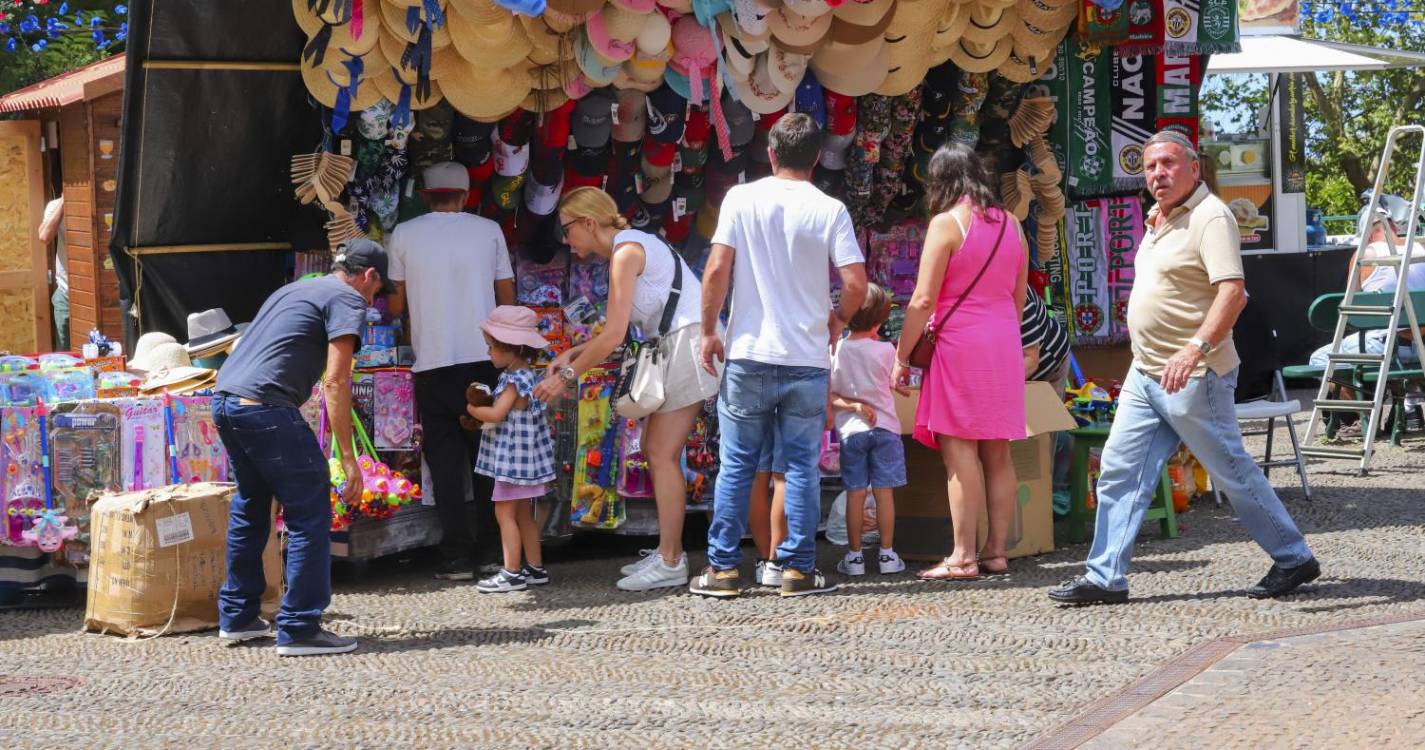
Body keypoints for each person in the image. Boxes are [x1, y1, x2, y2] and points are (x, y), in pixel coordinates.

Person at [1049, 131, 1319, 605]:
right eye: (1151, 167)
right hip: (1146, 372)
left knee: (1230, 469)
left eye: (1169, 164)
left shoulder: (1211, 217)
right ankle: (1105, 577)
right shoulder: (1161, 219)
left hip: (1195, 374)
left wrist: (1194, 349)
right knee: (1119, 468)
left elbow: (1233, 293)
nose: (1158, 174)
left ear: (1194, 168)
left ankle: (1294, 556)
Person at [694, 112, 868, 598]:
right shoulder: (829, 209)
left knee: (737, 465)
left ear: (770, 153)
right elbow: (855, 282)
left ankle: (723, 570)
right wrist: (837, 321)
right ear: (816, 158)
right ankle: (796, 569)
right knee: (799, 468)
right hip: (805, 359)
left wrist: (710, 331)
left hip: (749, 353)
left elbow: (716, 270)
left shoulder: (741, 199)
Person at [533, 186, 719, 592]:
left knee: (661, 453)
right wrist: (576, 353)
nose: (567, 241)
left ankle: (671, 560)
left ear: (588, 222)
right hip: (675, 347)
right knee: (658, 452)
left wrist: (567, 377)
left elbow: (615, 335)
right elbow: (614, 333)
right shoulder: (630, 248)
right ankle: (668, 551)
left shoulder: (626, 253)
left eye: (568, 230)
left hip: (685, 348)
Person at [211, 239, 390, 656]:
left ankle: (237, 617)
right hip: (265, 406)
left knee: (253, 505)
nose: (374, 298)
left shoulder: (295, 289)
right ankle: (300, 627)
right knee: (310, 510)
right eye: (378, 290)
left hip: (226, 401)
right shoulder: (348, 299)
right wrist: (348, 458)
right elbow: (336, 380)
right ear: (368, 277)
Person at [892, 143, 1028, 582]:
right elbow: (1018, 297)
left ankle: (962, 555)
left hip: (960, 345)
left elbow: (923, 299)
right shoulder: (1013, 226)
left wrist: (901, 355)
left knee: (960, 453)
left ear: (941, 181)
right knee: (998, 452)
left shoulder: (946, 224)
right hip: (1003, 342)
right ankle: (995, 552)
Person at [388, 161, 516, 582]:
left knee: (443, 464)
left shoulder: (404, 234)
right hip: (483, 360)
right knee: (486, 460)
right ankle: (492, 552)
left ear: (426, 196)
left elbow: (394, 305)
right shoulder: (488, 231)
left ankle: (456, 556)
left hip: (432, 363)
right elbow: (507, 298)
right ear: (465, 196)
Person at [468, 306, 557, 593]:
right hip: (526, 461)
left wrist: (472, 409)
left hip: (511, 462)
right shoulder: (531, 376)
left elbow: (496, 415)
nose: (489, 353)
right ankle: (535, 567)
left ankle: (512, 571)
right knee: (523, 515)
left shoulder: (511, 381)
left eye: (492, 347)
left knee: (504, 514)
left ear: (511, 348)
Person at [830, 283, 906, 577]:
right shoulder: (887, 350)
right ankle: (887, 554)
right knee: (884, 494)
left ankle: (855, 557)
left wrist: (852, 406)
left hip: (852, 432)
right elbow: (890, 382)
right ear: (879, 321)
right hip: (886, 428)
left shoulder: (835, 350)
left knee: (855, 494)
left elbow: (830, 396)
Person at [1308, 197, 1425, 369]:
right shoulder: (1420, 250)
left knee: (1319, 359)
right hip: (1421, 347)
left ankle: (1358, 393)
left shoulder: (1365, 255)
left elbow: (1351, 306)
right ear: (1394, 227)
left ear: (1368, 236)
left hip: (1385, 346)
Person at [1022, 286, 1072, 396]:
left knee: (1047, 411)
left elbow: (1031, 360)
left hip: (1050, 361)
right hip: (1024, 364)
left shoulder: (1018, 297)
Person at [38, 196, 68, 351]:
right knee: (65, 353)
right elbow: (44, 236)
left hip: (98, 295)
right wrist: (64, 202)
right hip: (65, 293)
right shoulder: (55, 205)